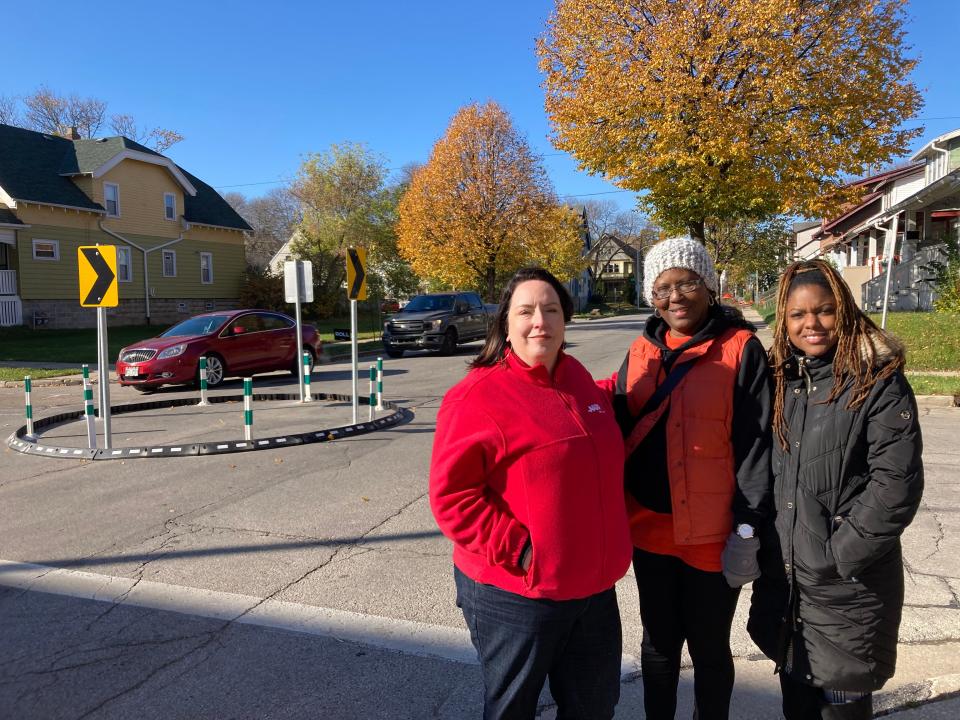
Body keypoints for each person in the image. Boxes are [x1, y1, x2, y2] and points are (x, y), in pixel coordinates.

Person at [429, 267, 633, 720]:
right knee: (512, 710)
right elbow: (452, 499)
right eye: (526, 311)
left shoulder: (578, 378)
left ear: (566, 320)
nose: (540, 321)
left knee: (595, 707)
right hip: (518, 592)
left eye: (551, 310)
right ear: (506, 323)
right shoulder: (476, 398)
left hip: (594, 589)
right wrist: (522, 550)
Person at [604, 236, 773, 720]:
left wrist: (747, 526)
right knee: (657, 647)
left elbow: (757, 444)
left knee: (709, 649)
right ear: (650, 295)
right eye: (663, 288)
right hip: (650, 532)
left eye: (687, 283)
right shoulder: (639, 352)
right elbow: (614, 427)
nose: (675, 297)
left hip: (713, 534)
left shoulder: (741, 349)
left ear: (709, 286)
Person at [748, 260, 924, 720]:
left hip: (848, 584)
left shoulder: (876, 381)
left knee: (842, 704)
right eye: (798, 315)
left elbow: (896, 484)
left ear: (843, 311)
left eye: (824, 311)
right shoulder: (781, 381)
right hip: (786, 582)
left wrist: (837, 555)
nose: (812, 324)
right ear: (783, 322)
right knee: (798, 704)